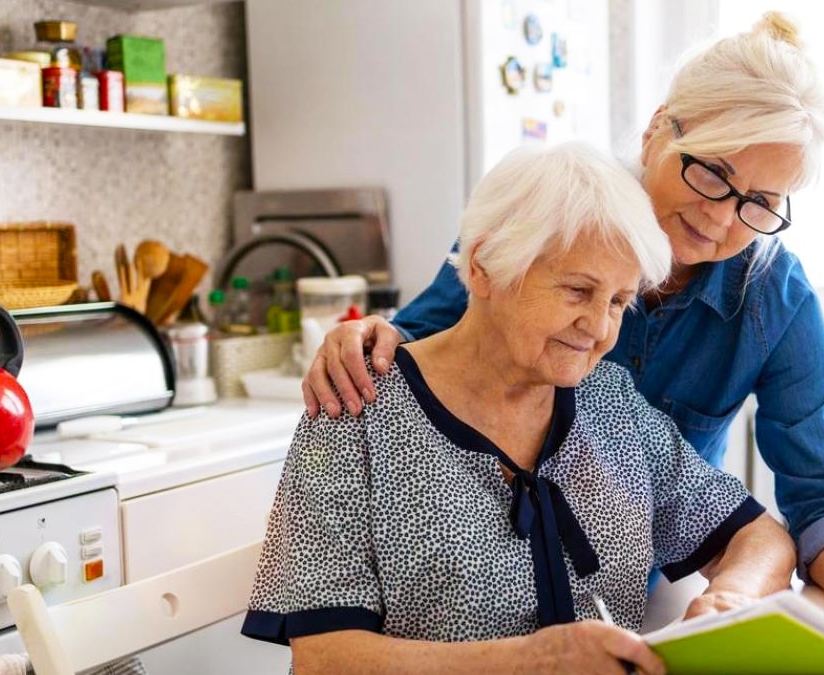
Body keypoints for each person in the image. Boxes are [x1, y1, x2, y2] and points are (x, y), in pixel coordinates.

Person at [302, 12, 824, 626]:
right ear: (659, 129)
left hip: (630, 598)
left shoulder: (775, 297)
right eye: (713, 172)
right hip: (465, 601)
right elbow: (418, 351)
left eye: (759, 202)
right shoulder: (546, 217)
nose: (719, 218)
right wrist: (364, 338)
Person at [243, 142, 795, 674]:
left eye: (620, 302)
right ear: (483, 265)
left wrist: (728, 602)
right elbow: (326, 661)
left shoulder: (610, 401)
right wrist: (530, 665)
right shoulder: (357, 411)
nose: (600, 328)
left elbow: (759, 537)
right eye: (578, 291)